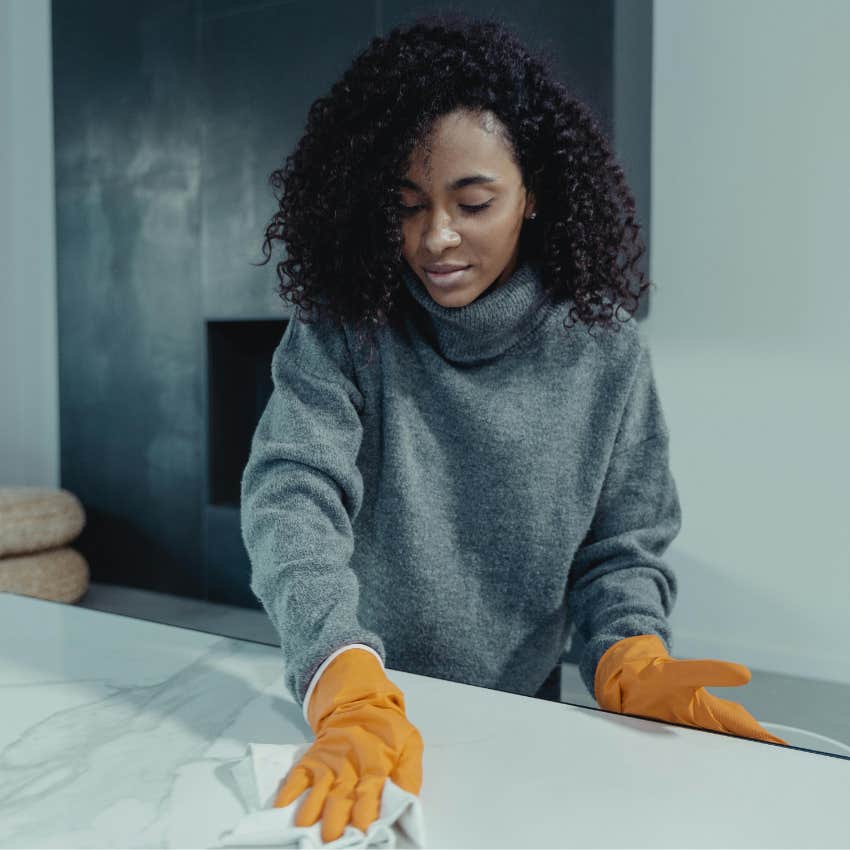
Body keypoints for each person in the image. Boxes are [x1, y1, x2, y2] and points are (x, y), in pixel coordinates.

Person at [240, 11, 787, 845]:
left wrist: (628, 651)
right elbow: (291, 495)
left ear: (532, 193)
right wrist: (342, 681)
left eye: (473, 201)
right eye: (408, 205)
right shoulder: (344, 328)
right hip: (354, 709)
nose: (437, 237)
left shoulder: (605, 354)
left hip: (518, 720)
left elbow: (620, 549)